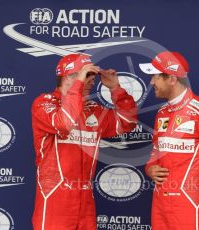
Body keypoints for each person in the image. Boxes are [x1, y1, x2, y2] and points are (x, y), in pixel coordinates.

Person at [31, 54, 137, 230]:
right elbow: (64, 123)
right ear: (67, 76)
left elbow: (128, 123)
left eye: (92, 76)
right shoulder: (45, 103)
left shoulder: (93, 110)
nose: (92, 81)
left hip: (85, 200)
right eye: (86, 75)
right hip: (54, 199)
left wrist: (116, 89)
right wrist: (78, 86)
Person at [139, 51, 199, 230]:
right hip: (160, 202)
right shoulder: (162, 113)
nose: (151, 82)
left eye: (155, 77)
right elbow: (156, 151)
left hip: (189, 203)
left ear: (172, 79)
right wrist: (150, 168)